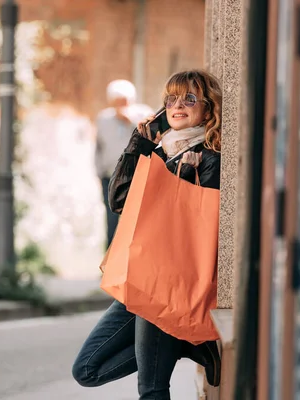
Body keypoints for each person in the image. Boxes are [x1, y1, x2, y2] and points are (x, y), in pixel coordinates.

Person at [73, 70, 223, 399]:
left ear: (208, 110)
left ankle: (184, 339)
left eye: (190, 99)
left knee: (152, 389)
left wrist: (184, 174)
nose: (177, 105)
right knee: (86, 370)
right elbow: (118, 200)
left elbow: (194, 225)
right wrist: (139, 143)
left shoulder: (209, 161)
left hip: (169, 283)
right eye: (171, 99)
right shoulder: (159, 151)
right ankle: (186, 341)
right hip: (141, 277)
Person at [95, 80, 153, 249]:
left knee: (137, 219)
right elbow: (98, 147)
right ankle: (109, 263)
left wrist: (131, 123)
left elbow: (150, 140)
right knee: (111, 219)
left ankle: (134, 261)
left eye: (124, 101)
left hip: (137, 175)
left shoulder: (144, 114)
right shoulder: (103, 119)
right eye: (117, 102)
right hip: (109, 176)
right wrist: (99, 172)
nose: (121, 105)